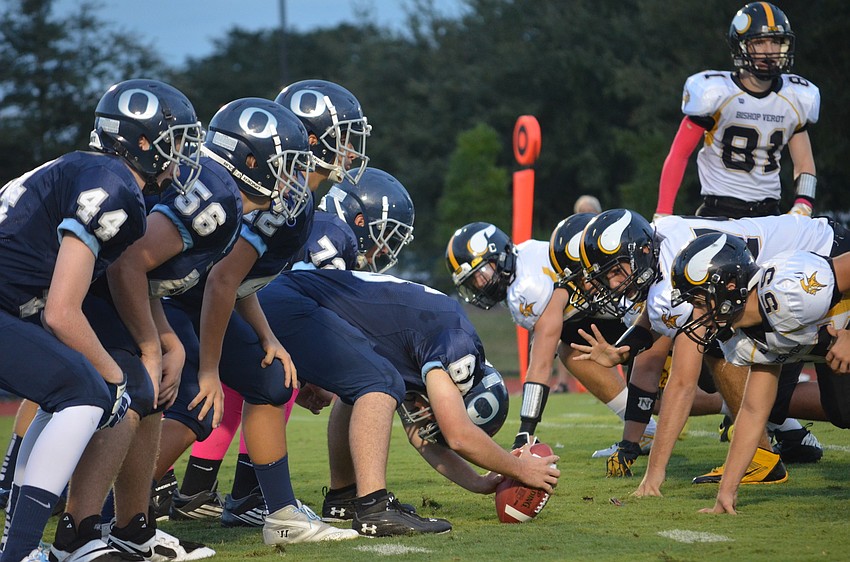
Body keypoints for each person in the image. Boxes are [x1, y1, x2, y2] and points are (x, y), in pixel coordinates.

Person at [0, 78, 197, 562]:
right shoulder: (112, 185)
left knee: (65, 389)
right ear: (142, 142)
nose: (181, 155)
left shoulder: (86, 170)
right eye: (174, 142)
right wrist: (115, 380)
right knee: (88, 390)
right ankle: (21, 549)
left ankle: (17, 540)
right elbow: (62, 313)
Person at [173, 166, 415, 528]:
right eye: (384, 234)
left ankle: (198, 487)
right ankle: (243, 494)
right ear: (361, 219)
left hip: (241, 307)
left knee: (249, 389)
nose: (384, 247)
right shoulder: (333, 233)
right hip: (231, 306)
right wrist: (317, 374)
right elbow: (310, 310)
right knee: (266, 384)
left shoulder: (312, 218)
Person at [257, 269, 560, 535]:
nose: (434, 427)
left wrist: (480, 483)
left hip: (281, 298)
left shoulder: (435, 348)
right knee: (379, 383)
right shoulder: (457, 344)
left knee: (364, 387)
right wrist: (521, 470)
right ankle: (373, 508)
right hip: (291, 302)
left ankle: (343, 499)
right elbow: (458, 435)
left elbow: (420, 436)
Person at [573, 209, 846, 492]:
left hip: (817, 266)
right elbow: (657, 314)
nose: (615, 284)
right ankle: (769, 450)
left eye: (617, 271)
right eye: (608, 277)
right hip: (779, 293)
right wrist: (625, 349)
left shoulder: (674, 278)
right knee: (820, 406)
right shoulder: (659, 241)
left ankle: (762, 456)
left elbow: (681, 383)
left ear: (642, 251)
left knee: (715, 344)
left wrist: (654, 473)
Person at [668, 233, 850, 513]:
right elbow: (753, 412)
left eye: (701, 301)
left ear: (729, 287)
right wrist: (725, 493)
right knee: (843, 409)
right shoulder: (741, 340)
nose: (696, 312)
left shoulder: (788, 286)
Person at [445, 220, 655, 456]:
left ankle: (645, 423)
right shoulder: (525, 261)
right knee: (572, 350)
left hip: (644, 310)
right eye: (472, 282)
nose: (479, 285)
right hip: (623, 315)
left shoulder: (526, 285)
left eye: (479, 275)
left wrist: (526, 429)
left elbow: (543, 359)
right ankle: (643, 429)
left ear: (499, 256)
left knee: (664, 398)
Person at [654, 2, 819, 221]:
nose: (769, 51)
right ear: (741, 46)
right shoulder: (716, 93)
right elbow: (679, 155)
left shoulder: (795, 97)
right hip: (719, 210)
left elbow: (805, 164)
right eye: (760, 43)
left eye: (776, 42)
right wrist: (663, 212)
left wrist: (803, 204)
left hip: (769, 215)